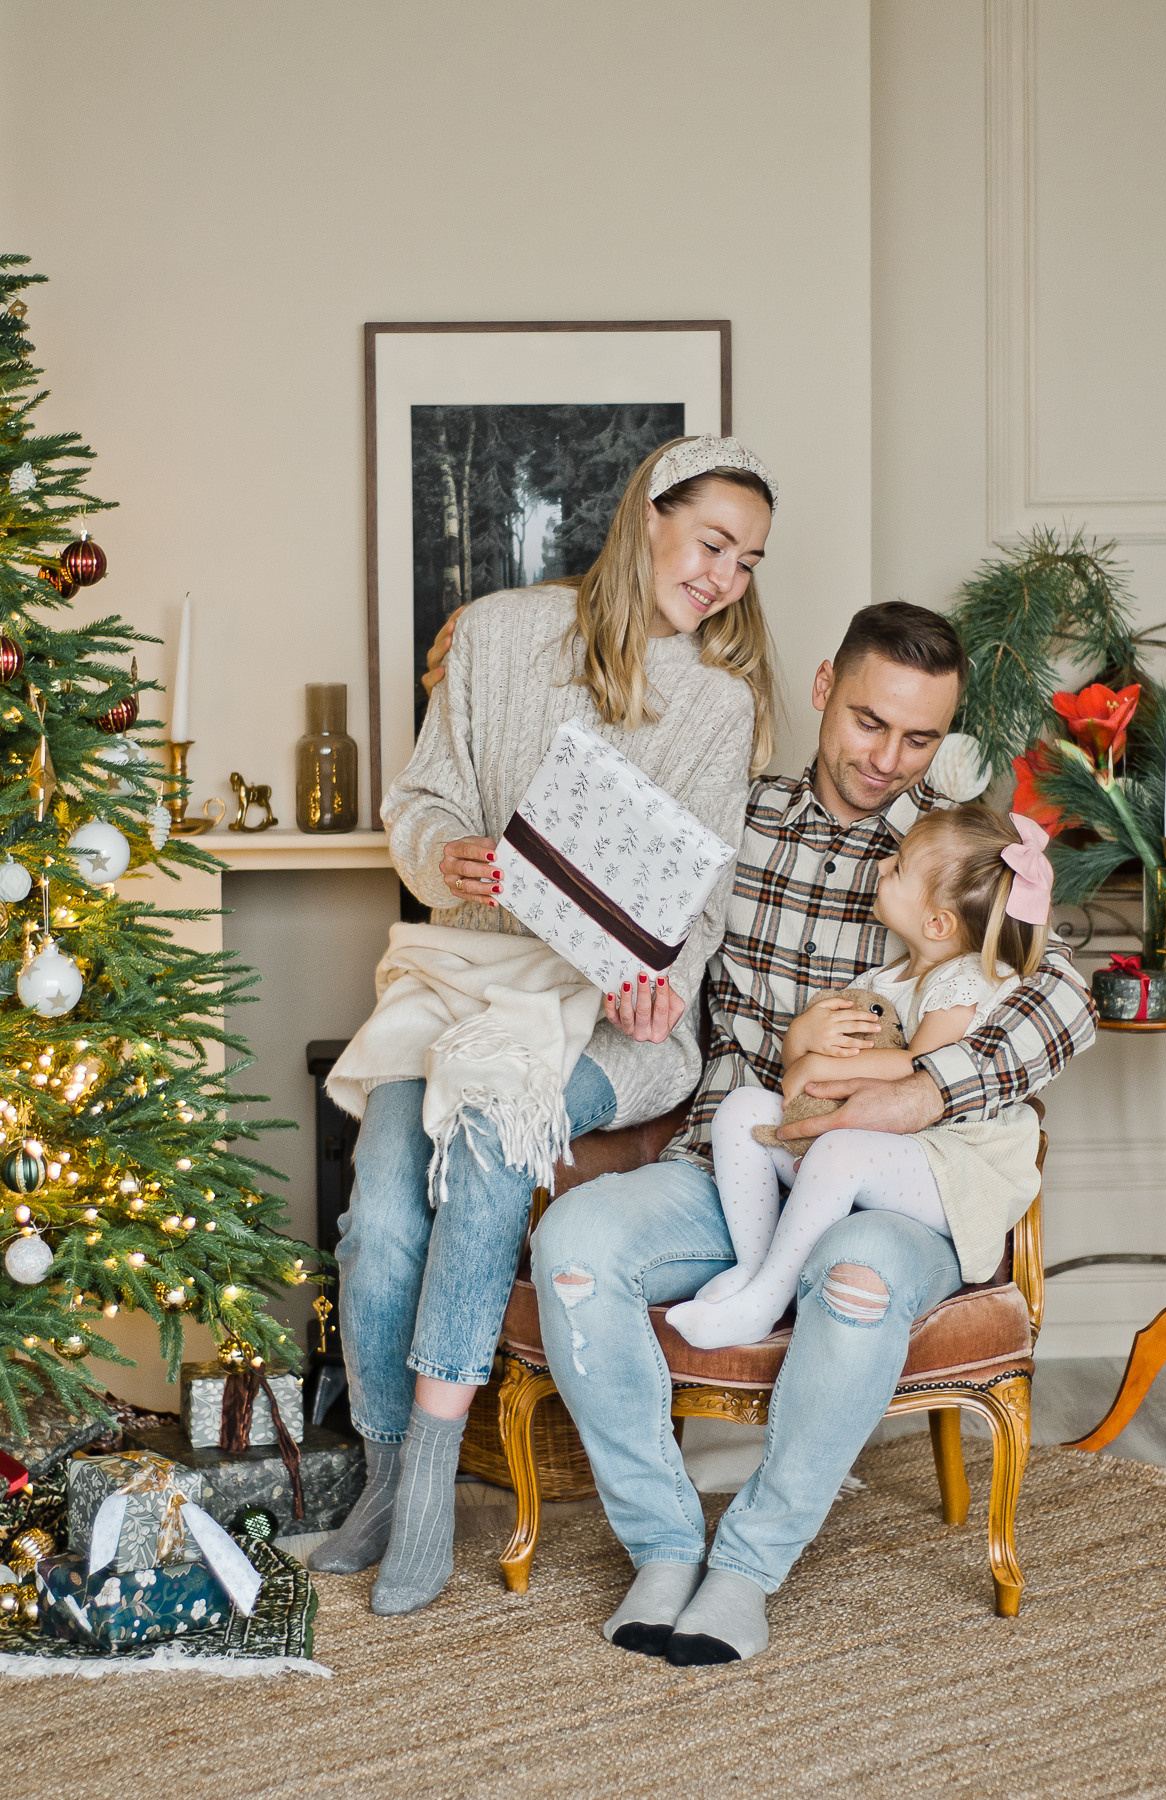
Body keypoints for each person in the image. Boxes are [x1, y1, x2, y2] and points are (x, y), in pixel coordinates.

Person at [531, 600, 1098, 1665]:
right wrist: (631, 992)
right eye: (869, 722)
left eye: (919, 738)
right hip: (738, 1160)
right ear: (824, 687)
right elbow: (621, 920)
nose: (887, 759)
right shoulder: (732, 817)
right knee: (573, 1245)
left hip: (891, 1192)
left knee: (858, 1280)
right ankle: (663, 1546)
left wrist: (923, 1088)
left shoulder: (951, 853)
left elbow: (1064, 996)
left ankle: (746, 1569)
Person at [310, 435, 779, 1617]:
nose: (723, 578)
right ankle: (383, 1477)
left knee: (487, 1140)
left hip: (608, 1025)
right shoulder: (496, 636)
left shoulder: (718, 703)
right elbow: (420, 803)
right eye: (711, 543)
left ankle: (430, 1485)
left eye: (746, 562)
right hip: (461, 978)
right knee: (376, 1217)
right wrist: (444, 855)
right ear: (646, 515)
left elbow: (701, 898)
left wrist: (657, 977)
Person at [665, 803, 1053, 1350]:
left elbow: (921, 1066)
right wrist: (803, 1040)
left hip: (954, 1168)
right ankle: (755, 1266)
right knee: (742, 1110)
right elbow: (812, 1073)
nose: (881, 866)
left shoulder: (966, 981)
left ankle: (766, 1302)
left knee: (840, 1150)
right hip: (883, 1149)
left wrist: (820, 1065)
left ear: (937, 923)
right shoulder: (883, 980)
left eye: (898, 868)